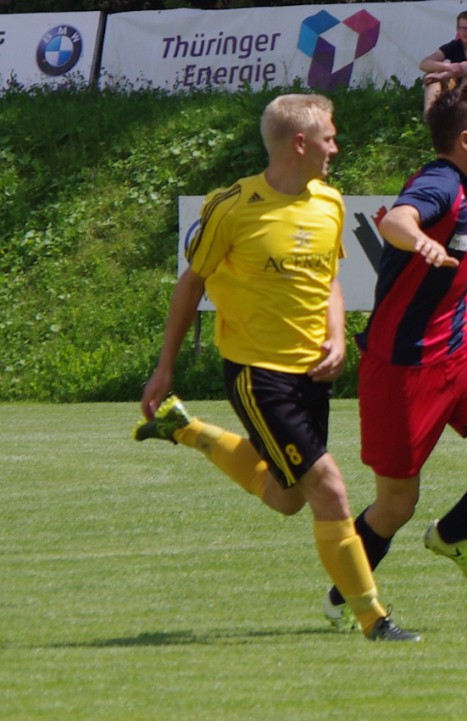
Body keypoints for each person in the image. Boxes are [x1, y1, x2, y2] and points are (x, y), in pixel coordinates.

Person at [133, 93, 418, 641]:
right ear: (300, 143)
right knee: (331, 490)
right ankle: (373, 619)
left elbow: (330, 281)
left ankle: (186, 429)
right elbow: (191, 284)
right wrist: (164, 367)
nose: (336, 147)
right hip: (256, 373)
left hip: (311, 373)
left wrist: (336, 336)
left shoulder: (330, 203)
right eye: (330, 138)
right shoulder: (232, 206)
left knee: (289, 498)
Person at [322, 83, 467, 620]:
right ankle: (343, 596)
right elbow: (396, 220)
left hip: (457, 353)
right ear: (466, 140)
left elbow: (446, 248)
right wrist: (417, 238)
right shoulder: (441, 181)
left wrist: (465, 265)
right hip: (402, 368)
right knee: (395, 506)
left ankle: (452, 534)